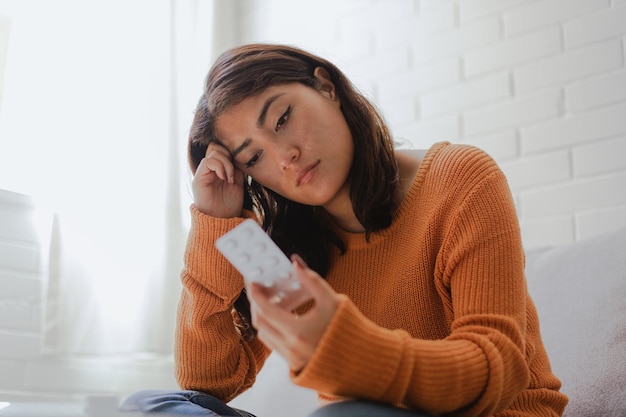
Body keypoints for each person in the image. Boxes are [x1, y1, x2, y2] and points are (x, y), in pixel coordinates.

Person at [121, 43, 568, 417]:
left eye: (281, 119)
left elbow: (500, 370)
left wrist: (352, 349)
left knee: (345, 413)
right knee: (151, 406)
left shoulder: (460, 180)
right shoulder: (293, 241)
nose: (284, 156)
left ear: (327, 87)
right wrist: (216, 226)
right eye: (253, 158)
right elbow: (211, 382)